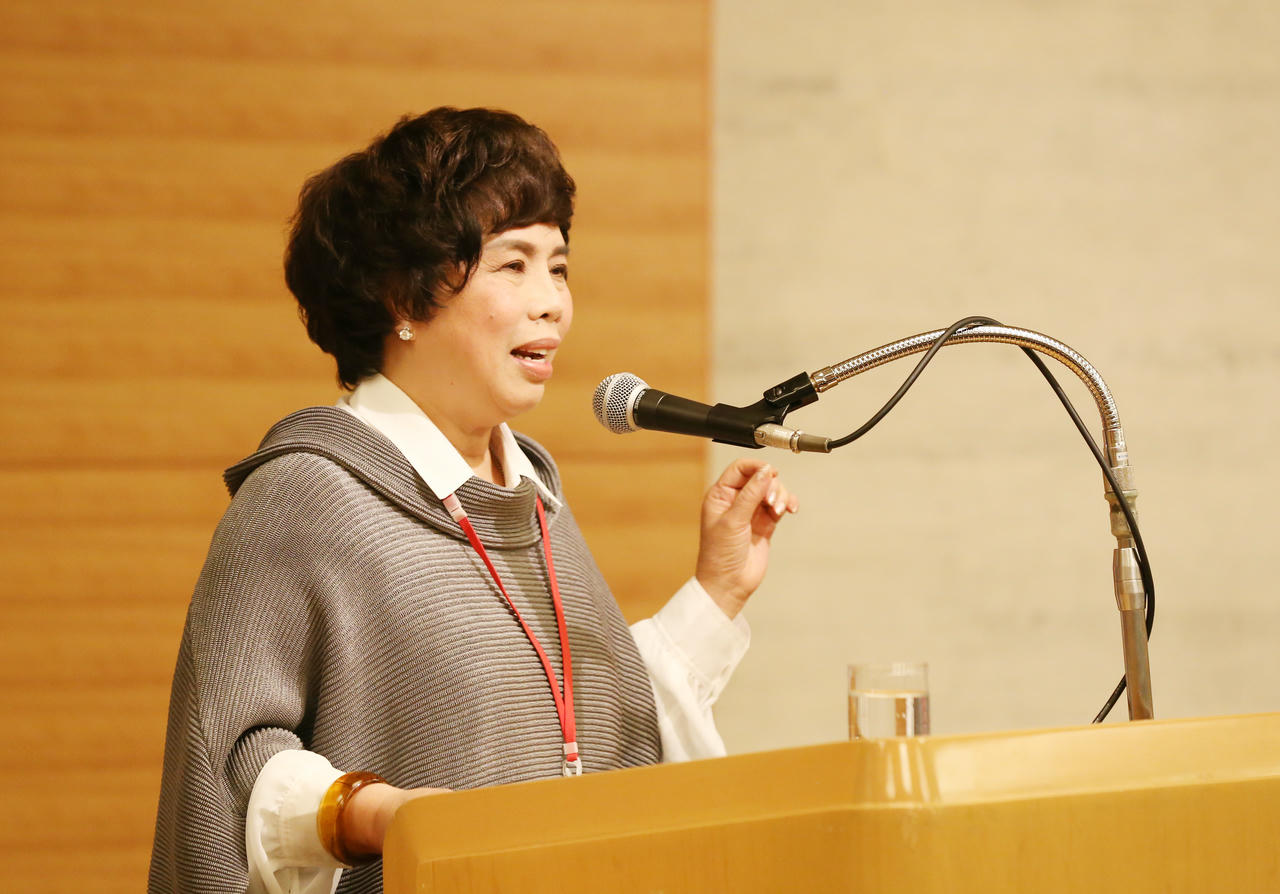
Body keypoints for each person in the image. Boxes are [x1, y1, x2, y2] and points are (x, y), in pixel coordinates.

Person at [148, 107, 798, 894]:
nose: (552, 302)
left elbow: (578, 738)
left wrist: (716, 591)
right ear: (403, 295)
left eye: (558, 267)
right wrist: (372, 813)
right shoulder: (306, 496)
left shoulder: (530, 494)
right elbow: (223, 769)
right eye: (513, 264)